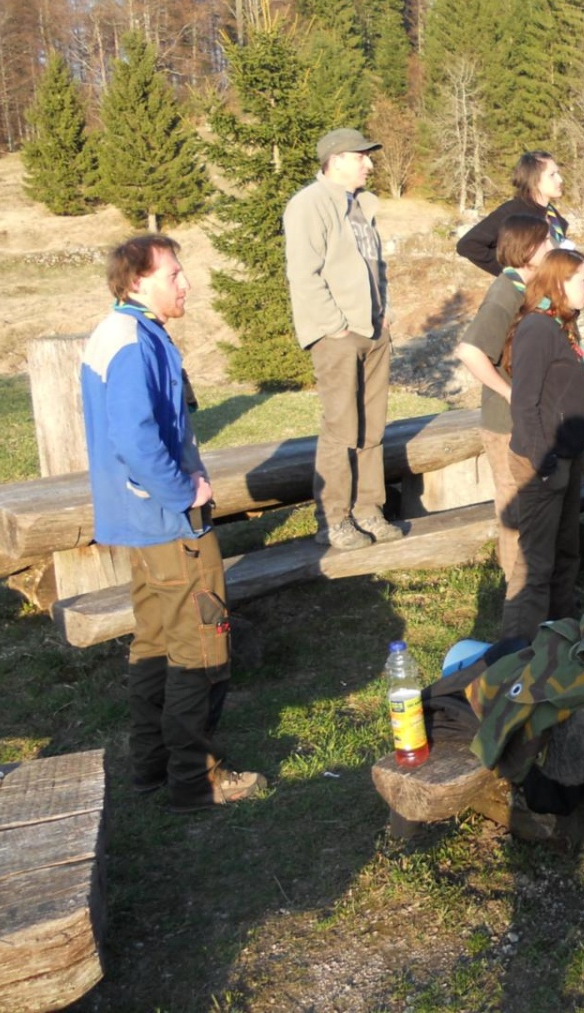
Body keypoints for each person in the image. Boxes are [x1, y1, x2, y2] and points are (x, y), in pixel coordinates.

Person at [81, 235, 265, 811]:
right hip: (168, 521)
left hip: (138, 524)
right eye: (174, 274)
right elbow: (135, 438)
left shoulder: (119, 332)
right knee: (199, 645)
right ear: (138, 281)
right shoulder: (134, 342)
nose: (186, 284)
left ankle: (151, 767)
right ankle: (195, 779)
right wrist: (184, 491)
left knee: (154, 644)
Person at [284, 127, 402, 552]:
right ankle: (334, 519)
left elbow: (377, 267)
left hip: (373, 331)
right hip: (338, 335)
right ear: (335, 160)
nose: (369, 164)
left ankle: (370, 509)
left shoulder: (362, 207)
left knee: (372, 427)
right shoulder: (308, 205)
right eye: (361, 157)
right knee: (340, 427)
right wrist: (335, 326)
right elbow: (304, 274)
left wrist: (383, 314)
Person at [455, 215, 554, 634]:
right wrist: (512, 393)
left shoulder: (524, 288)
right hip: (506, 426)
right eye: (547, 243)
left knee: (531, 513)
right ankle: (519, 618)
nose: (553, 248)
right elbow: (470, 351)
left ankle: (537, 604)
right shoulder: (504, 291)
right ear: (528, 250)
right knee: (516, 514)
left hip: (526, 423)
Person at [502, 249, 584, 637]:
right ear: (559, 283)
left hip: (567, 457)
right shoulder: (537, 329)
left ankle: (559, 639)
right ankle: (515, 654)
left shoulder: (561, 325)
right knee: (535, 565)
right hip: (543, 462)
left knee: (566, 555)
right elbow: (524, 404)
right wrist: (545, 463)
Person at [455, 151, 570, 276]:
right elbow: (468, 245)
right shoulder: (512, 211)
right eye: (552, 175)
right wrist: (513, 273)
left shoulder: (553, 215)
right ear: (534, 179)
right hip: (525, 292)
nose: (560, 180)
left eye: (558, 173)